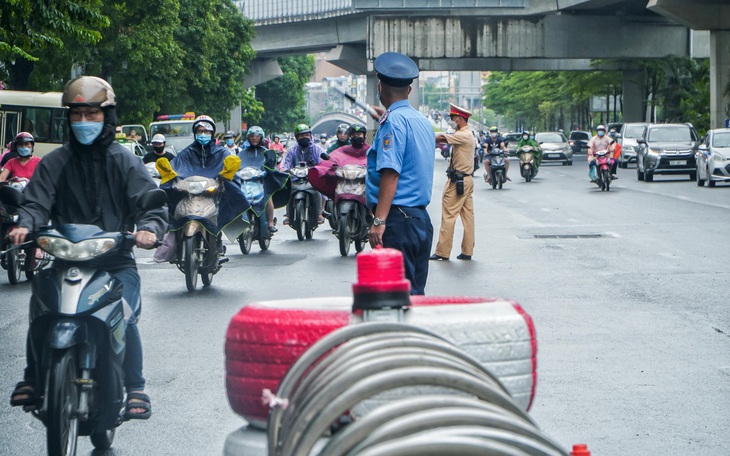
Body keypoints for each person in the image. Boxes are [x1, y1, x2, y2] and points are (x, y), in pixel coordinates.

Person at [8, 76, 167, 420]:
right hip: (65, 260)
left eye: (91, 114)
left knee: (125, 312)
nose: (83, 122)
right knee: (40, 309)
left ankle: (136, 386)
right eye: (77, 115)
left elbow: (149, 203)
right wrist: (25, 224)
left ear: (106, 117)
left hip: (115, 260)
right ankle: (33, 378)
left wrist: (148, 229)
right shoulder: (55, 162)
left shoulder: (125, 161)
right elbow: (36, 201)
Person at [366, 52, 435, 295]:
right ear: (409, 90)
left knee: (397, 297)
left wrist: (378, 221)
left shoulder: (393, 123)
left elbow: (391, 175)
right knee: (415, 295)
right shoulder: (421, 121)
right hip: (420, 221)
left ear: (379, 87)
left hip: (397, 222)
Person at [430, 104, 475, 262]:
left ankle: (442, 251)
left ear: (460, 119)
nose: (451, 121)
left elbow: (441, 138)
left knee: (448, 215)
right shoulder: (466, 133)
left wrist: (423, 132)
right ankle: (467, 251)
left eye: (453, 118)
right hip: (466, 179)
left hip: (458, 182)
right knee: (468, 217)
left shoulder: (464, 135)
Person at [237, 126, 289, 233]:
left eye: (257, 136)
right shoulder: (242, 153)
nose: (254, 138)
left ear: (261, 137)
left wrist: (268, 170)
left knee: (268, 197)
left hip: (262, 182)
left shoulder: (267, 152)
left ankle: (270, 222)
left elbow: (272, 166)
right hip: (247, 183)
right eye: (251, 136)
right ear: (248, 138)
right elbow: (237, 166)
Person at [281, 124, 325, 224]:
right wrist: (284, 170)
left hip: (312, 179)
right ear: (297, 137)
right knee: (288, 190)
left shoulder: (317, 149)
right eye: (301, 136)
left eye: (306, 135)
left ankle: (319, 213)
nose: (304, 137)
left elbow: (323, 163)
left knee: (319, 189)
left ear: (310, 136)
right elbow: (285, 164)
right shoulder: (292, 150)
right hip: (295, 179)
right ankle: (288, 214)